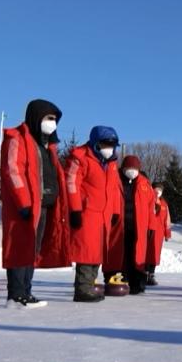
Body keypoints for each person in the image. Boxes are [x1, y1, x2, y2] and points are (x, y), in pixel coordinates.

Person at [0, 99, 71, 308]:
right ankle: (16, 295)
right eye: (49, 118)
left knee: (32, 250)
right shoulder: (18, 139)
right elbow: (13, 171)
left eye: (55, 120)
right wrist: (23, 202)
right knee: (19, 248)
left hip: (44, 205)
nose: (52, 123)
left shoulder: (47, 145)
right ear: (36, 117)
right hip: (25, 207)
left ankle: (25, 292)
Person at [66, 126, 123, 302]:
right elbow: (71, 183)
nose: (110, 148)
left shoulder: (111, 164)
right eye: (106, 144)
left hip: (104, 215)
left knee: (98, 252)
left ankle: (89, 286)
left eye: (113, 145)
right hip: (87, 213)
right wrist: (75, 209)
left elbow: (113, 189)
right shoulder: (81, 157)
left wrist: (114, 211)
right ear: (96, 143)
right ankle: (82, 289)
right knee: (86, 251)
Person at [111, 155, 155, 295]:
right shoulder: (115, 181)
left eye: (134, 168)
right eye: (129, 168)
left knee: (137, 255)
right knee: (121, 255)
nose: (132, 171)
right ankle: (120, 279)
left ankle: (137, 283)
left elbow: (151, 207)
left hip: (138, 228)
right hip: (119, 227)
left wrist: (151, 226)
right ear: (123, 168)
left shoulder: (145, 184)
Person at [145, 181, 172, 286]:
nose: (158, 192)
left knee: (155, 255)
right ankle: (144, 273)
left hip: (159, 234)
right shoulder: (149, 200)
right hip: (148, 232)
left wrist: (167, 233)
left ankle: (151, 274)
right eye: (156, 189)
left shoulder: (164, 204)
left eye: (160, 190)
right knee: (146, 253)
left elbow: (167, 220)